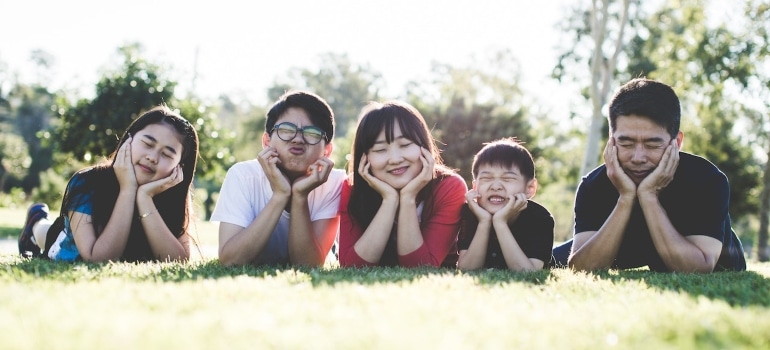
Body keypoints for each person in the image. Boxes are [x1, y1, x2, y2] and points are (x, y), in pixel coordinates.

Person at [551, 78, 746, 272]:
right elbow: (582, 268)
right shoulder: (593, 185)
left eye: (652, 145)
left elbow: (699, 268)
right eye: (626, 143)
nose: (638, 157)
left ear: (676, 143)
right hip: (624, 244)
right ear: (611, 141)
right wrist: (626, 198)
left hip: (697, 245)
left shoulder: (707, 180)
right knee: (547, 258)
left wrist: (649, 196)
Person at [18, 105, 199, 262]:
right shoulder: (87, 181)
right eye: (147, 143)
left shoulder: (172, 192)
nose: (152, 157)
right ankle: (35, 221)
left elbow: (178, 261)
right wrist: (128, 190)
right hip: (67, 242)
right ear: (129, 139)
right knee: (49, 233)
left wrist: (145, 198)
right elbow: (99, 259)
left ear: (179, 166)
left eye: (167, 154)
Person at [212, 90, 345, 266]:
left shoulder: (334, 183)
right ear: (267, 141)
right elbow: (230, 260)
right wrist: (280, 195)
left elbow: (308, 266)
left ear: (327, 150)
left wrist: (300, 195)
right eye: (286, 130)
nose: (298, 139)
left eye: (311, 132)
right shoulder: (242, 176)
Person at [339, 101, 467, 267]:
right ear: (364, 157)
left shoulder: (449, 187)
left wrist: (407, 198)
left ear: (424, 146)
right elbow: (353, 266)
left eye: (405, 145)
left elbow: (420, 267)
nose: (395, 159)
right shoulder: (351, 188)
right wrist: (389, 200)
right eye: (380, 150)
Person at [457, 138, 554, 271]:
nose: (496, 186)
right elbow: (467, 269)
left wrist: (500, 222)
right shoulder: (471, 211)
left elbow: (528, 272)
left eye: (507, 179)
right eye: (487, 178)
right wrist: (484, 222)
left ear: (530, 188)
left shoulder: (540, 217)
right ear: (475, 186)